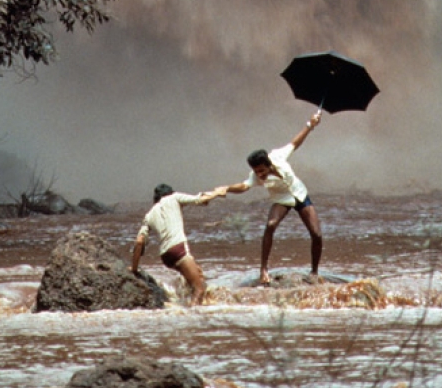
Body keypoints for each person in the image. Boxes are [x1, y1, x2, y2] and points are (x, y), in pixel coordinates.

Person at [218, 110, 323, 285]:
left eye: (262, 170)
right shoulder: (255, 176)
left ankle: (314, 272)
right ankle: (263, 270)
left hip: (299, 193)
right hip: (281, 199)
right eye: (256, 171)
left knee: (316, 234)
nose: (260, 175)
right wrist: (227, 188)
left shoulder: (278, 156)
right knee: (270, 225)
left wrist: (310, 125)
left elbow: (295, 143)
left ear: (268, 164)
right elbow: (244, 186)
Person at [130, 182, 224, 305]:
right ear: (170, 193)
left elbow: (139, 242)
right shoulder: (174, 197)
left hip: (166, 256)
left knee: (197, 275)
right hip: (179, 249)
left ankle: (184, 302)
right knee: (199, 289)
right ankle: (190, 315)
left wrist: (134, 269)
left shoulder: (149, 215)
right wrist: (217, 193)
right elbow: (200, 200)